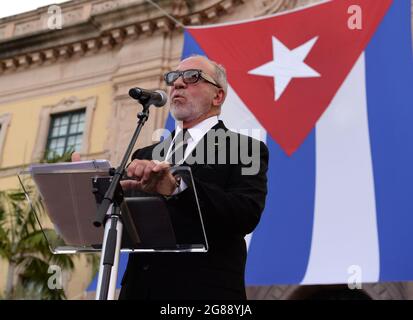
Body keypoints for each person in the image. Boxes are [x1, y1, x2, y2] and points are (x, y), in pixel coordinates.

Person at [77, 55, 269, 300]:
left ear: (217, 96)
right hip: (140, 290)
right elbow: (116, 219)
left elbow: (246, 213)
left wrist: (179, 187)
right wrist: (88, 185)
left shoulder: (245, 148)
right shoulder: (145, 154)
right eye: (173, 77)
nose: (177, 83)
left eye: (192, 77)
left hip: (203, 293)